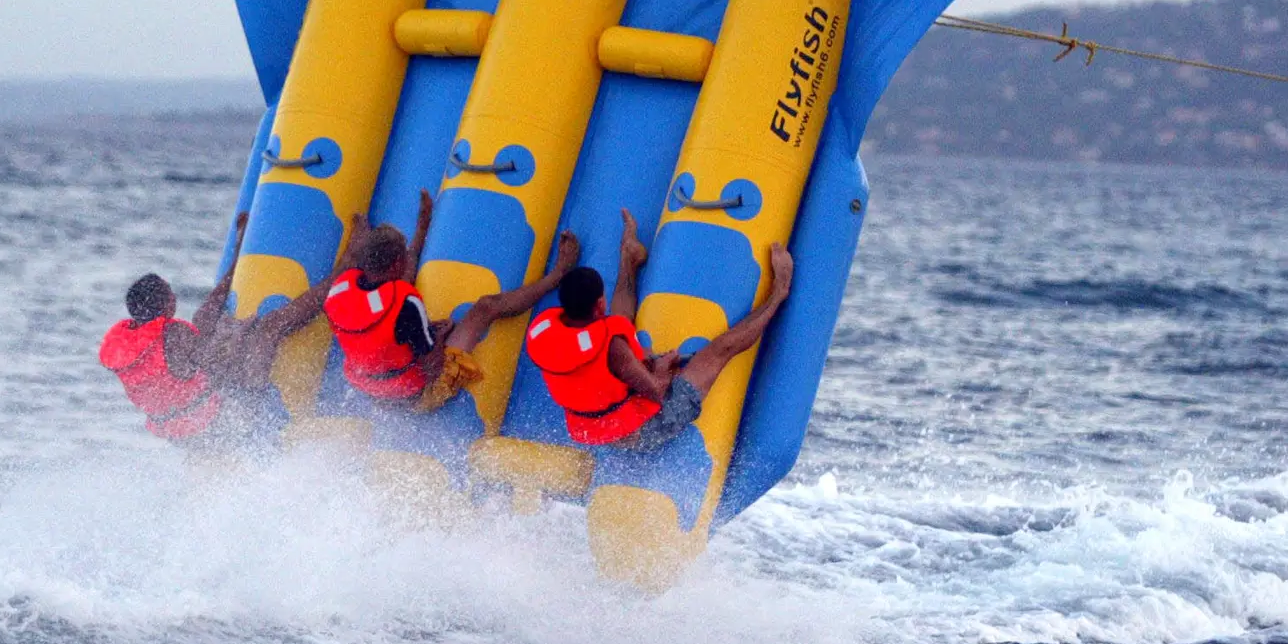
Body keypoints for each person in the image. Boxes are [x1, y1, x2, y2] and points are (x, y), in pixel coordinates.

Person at [525, 209, 793, 451]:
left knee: (616, 327)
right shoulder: (615, 348)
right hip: (641, 433)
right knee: (716, 353)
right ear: (600, 303)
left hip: (594, 429)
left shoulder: (545, 331)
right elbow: (656, 392)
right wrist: (662, 368)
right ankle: (778, 294)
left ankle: (629, 257)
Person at [100, 212, 355, 447]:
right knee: (268, 328)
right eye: (171, 292)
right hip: (215, 425)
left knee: (205, 316)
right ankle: (341, 271)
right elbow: (219, 366)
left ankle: (237, 257)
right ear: (168, 303)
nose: (174, 296)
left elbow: (190, 367)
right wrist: (242, 332)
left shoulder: (133, 341)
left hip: (178, 434)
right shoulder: (174, 335)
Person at [325, 189, 582, 414]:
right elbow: (431, 366)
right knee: (485, 307)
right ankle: (558, 274)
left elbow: (383, 316)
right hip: (416, 395)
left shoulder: (342, 288)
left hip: (374, 393)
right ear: (396, 265)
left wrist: (423, 226)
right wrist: (439, 336)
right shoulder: (405, 303)